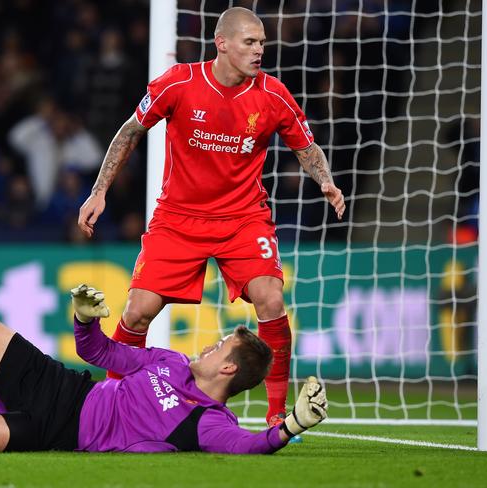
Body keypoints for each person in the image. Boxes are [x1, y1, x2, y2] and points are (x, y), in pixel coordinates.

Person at [77, 6, 345, 431]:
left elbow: (306, 147)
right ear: (222, 43)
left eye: (262, 43)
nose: (259, 51)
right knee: (136, 311)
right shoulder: (179, 82)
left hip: (243, 219)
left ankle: (276, 412)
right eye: (250, 42)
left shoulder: (273, 95)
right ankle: (115, 402)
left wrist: (326, 182)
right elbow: (130, 130)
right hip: (178, 219)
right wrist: (99, 190)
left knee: (271, 300)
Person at [0, 285, 328, 453]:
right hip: (60, 385)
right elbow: (97, 352)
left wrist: (292, 424)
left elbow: (250, 445)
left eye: (218, 347)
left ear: (228, 368)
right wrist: (83, 319)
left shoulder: (208, 422)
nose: (208, 346)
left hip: (52, 432)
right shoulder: (171, 361)